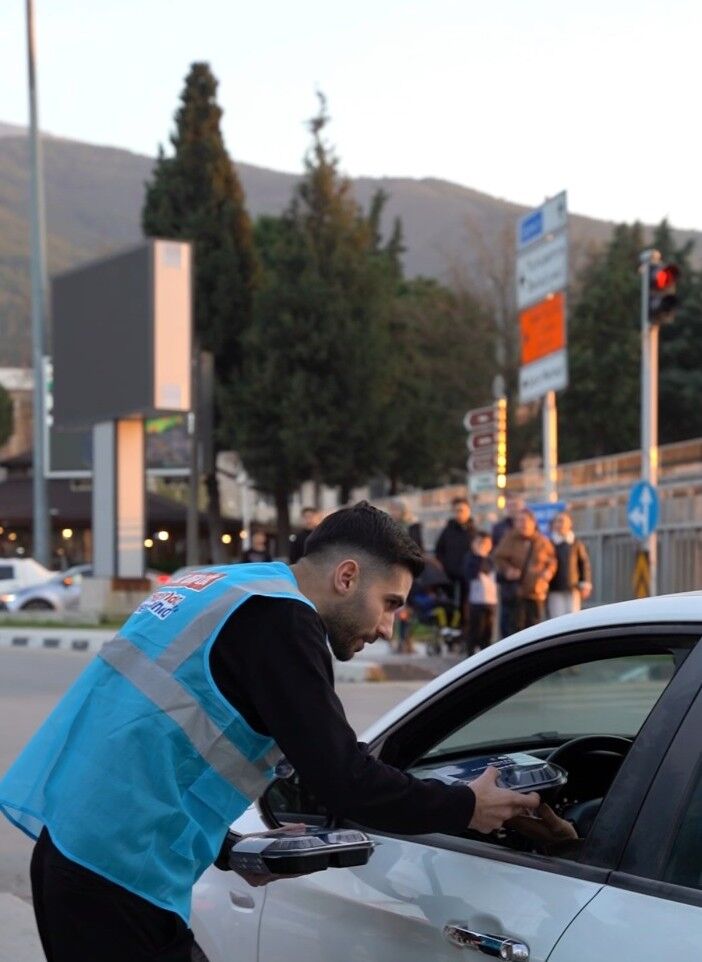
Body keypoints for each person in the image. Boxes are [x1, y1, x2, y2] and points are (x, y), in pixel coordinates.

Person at [0, 502, 542, 962]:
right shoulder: (282, 620)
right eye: (389, 605)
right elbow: (345, 780)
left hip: (73, 855)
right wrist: (465, 805)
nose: (386, 627)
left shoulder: (221, 585)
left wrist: (228, 846)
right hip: (117, 880)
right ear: (347, 576)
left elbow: (158, 740)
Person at [493, 507, 557, 633]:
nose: (523, 524)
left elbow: (552, 561)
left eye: (526, 520)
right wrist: (507, 570)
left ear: (533, 523)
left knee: (533, 628)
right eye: (519, 521)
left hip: (535, 592)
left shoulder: (542, 541)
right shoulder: (509, 539)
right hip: (515, 593)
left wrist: (548, 573)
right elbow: (498, 558)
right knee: (513, 629)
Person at [434, 496, 476, 622]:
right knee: (448, 604)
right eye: (456, 511)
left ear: (468, 511)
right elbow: (439, 550)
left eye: (462, 510)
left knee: (465, 605)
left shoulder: (473, 532)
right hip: (449, 575)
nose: (459, 514)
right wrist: (442, 566)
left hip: (467, 576)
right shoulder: (448, 530)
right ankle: (449, 630)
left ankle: (464, 631)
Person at [491, 496, 524, 640]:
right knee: (506, 614)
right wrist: (506, 569)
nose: (513, 508)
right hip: (506, 577)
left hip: (525, 577)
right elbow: (495, 552)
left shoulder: (528, 525)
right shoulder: (499, 528)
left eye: (516, 505)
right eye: (510, 505)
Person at [547, 511, 592, 618]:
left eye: (562, 521)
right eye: (557, 522)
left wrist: (586, 583)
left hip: (573, 587)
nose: (560, 525)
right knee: (556, 618)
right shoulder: (549, 544)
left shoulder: (575, 543)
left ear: (570, 524)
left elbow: (584, 563)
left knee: (573, 617)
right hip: (555, 588)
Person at [463, 531, 498, 654]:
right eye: (479, 543)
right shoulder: (470, 559)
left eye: (486, 543)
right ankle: (471, 654)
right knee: (475, 630)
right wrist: (479, 556)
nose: (482, 546)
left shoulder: (491, 560)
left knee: (487, 632)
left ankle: (486, 655)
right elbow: (470, 575)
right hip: (476, 600)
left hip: (490, 601)